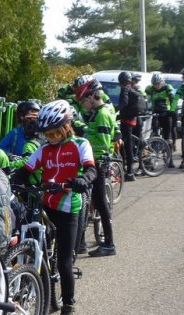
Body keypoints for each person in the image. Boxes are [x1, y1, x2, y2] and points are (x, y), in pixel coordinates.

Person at [11, 100, 96, 315]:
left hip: (69, 207)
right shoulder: (43, 149)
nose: (51, 137)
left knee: (64, 262)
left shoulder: (80, 144)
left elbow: (91, 169)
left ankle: (69, 308)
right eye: (47, 133)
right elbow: (25, 171)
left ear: (67, 126)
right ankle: (38, 283)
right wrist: (14, 182)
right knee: (34, 243)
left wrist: (83, 180)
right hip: (46, 204)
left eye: (55, 132)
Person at [76, 79, 118, 257]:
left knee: (100, 203)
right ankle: (83, 242)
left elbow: (103, 141)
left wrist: (84, 137)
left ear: (92, 96)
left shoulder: (102, 114)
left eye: (84, 100)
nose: (84, 105)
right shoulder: (97, 112)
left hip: (98, 162)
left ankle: (109, 244)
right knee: (94, 201)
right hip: (95, 161)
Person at [146, 72, 176, 167]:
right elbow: (145, 96)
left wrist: (172, 110)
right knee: (154, 133)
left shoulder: (168, 87)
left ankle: (170, 159)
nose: (156, 86)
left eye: (158, 84)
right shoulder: (150, 89)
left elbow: (172, 99)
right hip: (156, 113)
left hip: (166, 113)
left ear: (162, 82)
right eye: (154, 84)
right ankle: (154, 155)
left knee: (168, 137)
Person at [116, 71, 140, 181]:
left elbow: (124, 102)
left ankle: (130, 172)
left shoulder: (125, 89)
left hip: (128, 121)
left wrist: (115, 110)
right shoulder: (131, 88)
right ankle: (127, 167)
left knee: (127, 145)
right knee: (126, 144)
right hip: (132, 119)